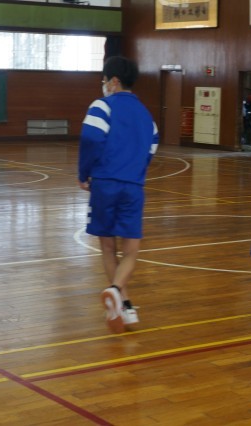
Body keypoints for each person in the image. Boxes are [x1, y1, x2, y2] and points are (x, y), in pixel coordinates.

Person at [78, 56, 159, 334]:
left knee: (108, 247)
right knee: (131, 251)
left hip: (104, 184)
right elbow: (151, 150)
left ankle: (116, 293)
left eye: (104, 80)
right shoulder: (147, 116)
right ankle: (125, 304)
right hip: (133, 187)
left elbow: (90, 139)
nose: (103, 85)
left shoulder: (102, 106)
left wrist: (84, 173)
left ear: (113, 81)